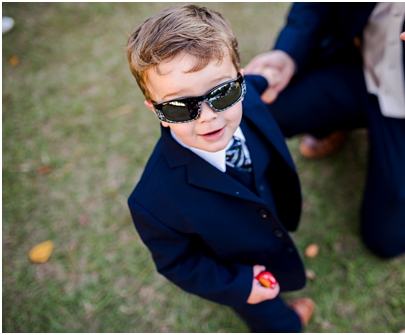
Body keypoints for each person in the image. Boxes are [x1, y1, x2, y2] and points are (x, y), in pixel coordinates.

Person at [245, 3, 405, 258]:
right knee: (261, 110)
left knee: (388, 237)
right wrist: (288, 53)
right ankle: (336, 121)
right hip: (358, 63)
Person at [126, 5, 314, 332]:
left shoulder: (249, 96)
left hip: (271, 220)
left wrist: (269, 76)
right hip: (236, 266)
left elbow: (258, 82)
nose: (208, 116)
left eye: (222, 92)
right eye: (180, 106)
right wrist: (239, 285)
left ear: (238, 80)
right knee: (268, 314)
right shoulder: (152, 202)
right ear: (156, 110)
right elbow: (178, 262)